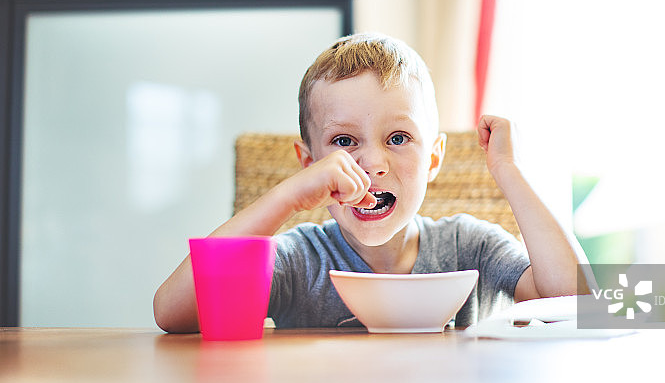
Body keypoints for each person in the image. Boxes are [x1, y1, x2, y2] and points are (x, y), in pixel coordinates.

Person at [153, 32, 588, 332]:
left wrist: (508, 172)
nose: (373, 163)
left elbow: (582, 300)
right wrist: (287, 195)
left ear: (434, 158)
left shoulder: (471, 248)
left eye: (398, 138)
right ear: (309, 162)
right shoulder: (300, 260)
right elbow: (173, 313)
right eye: (344, 141)